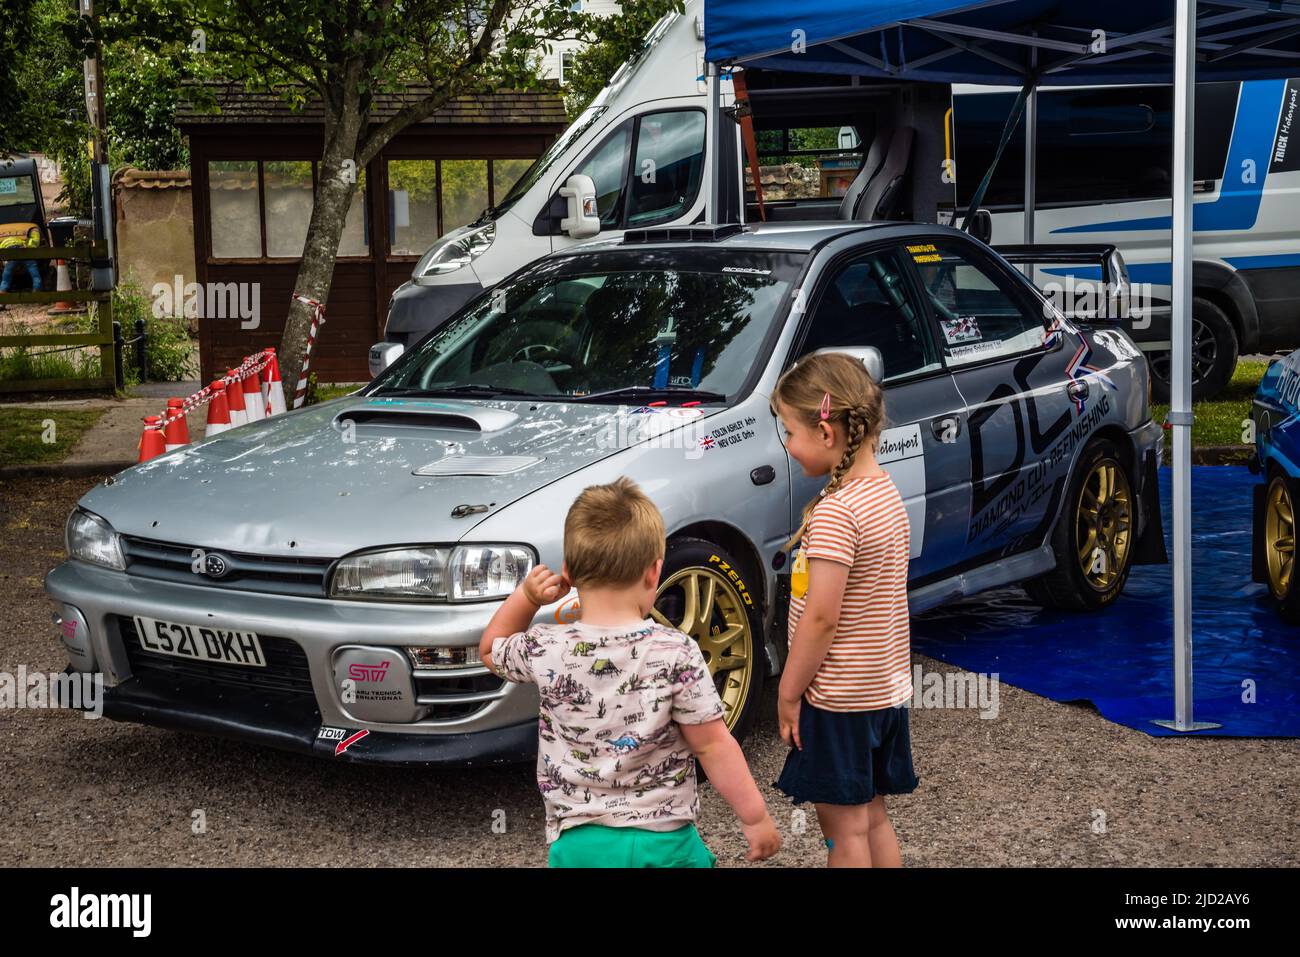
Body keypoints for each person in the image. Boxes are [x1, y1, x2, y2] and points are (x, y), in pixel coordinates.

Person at [479, 476, 781, 868]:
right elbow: (713, 745)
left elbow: (491, 649)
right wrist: (754, 817)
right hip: (665, 842)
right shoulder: (677, 652)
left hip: (579, 845)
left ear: (569, 571)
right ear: (654, 573)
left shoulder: (546, 648)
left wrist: (527, 597)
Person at [770, 351, 919, 867]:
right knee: (873, 817)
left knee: (843, 833)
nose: (787, 446)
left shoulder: (838, 513)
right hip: (883, 689)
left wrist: (789, 692)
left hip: (838, 700)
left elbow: (821, 617)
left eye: (789, 431)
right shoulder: (886, 496)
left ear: (827, 433)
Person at [0, 226, 44, 303]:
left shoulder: (2, 244)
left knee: (5, 279)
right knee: (35, 276)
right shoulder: (19, 240)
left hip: (11, 256)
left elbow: (2, 257)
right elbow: (28, 245)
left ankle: (2, 301)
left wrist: (4, 265)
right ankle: (37, 296)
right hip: (23, 252)